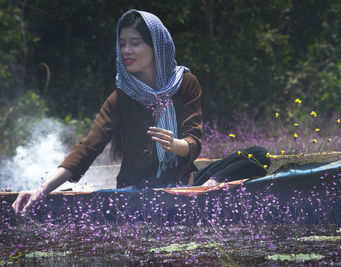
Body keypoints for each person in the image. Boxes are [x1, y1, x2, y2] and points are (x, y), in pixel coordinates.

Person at [12, 9, 269, 215]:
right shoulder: (120, 97)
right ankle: (203, 195)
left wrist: (175, 144)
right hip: (138, 192)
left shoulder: (185, 83)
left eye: (135, 43)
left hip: (186, 181)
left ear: (156, 45)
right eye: (122, 44)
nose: (126, 51)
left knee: (258, 155)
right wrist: (41, 190)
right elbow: (87, 148)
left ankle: (204, 191)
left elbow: (194, 142)